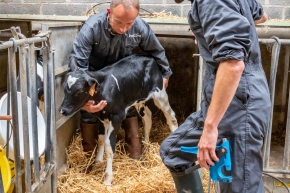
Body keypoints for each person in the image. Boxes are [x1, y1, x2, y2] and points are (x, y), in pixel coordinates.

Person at [160, 0, 269, 192]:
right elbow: (261, 16)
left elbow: (233, 64)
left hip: (239, 106)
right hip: (223, 103)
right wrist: (209, 31)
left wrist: (210, 128)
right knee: (172, 152)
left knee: (240, 188)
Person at [68, 0, 172, 160]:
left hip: (123, 78)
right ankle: (88, 160)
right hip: (94, 79)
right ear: (109, 13)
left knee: (128, 108)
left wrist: (165, 73)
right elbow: (78, 63)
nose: (123, 29)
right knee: (90, 114)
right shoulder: (92, 27)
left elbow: (157, 51)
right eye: (118, 22)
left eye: (129, 23)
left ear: (136, 17)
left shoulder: (141, 27)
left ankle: (135, 158)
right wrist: (85, 99)